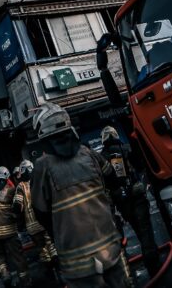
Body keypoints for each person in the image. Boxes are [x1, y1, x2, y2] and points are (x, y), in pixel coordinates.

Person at [30, 103, 132, 288]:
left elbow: (40, 212)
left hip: (77, 264)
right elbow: (113, 182)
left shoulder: (42, 167)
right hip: (110, 250)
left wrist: (58, 234)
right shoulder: (90, 154)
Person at [101, 126, 161, 278]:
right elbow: (139, 167)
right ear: (115, 135)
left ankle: (151, 260)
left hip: (122, 201)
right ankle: (154, 266)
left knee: (139, 229)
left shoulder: (101, 156)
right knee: (145, 230)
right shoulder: (125, 148)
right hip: (136, 196)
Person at [12, 159, 60, 281]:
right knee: (52, 246)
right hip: (44, 220)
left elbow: (17, 206)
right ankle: (60, 272)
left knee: (42, 248)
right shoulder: (39, 181)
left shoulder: (21, 186)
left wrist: (17, 218)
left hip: (32, 226)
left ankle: (51, 276)